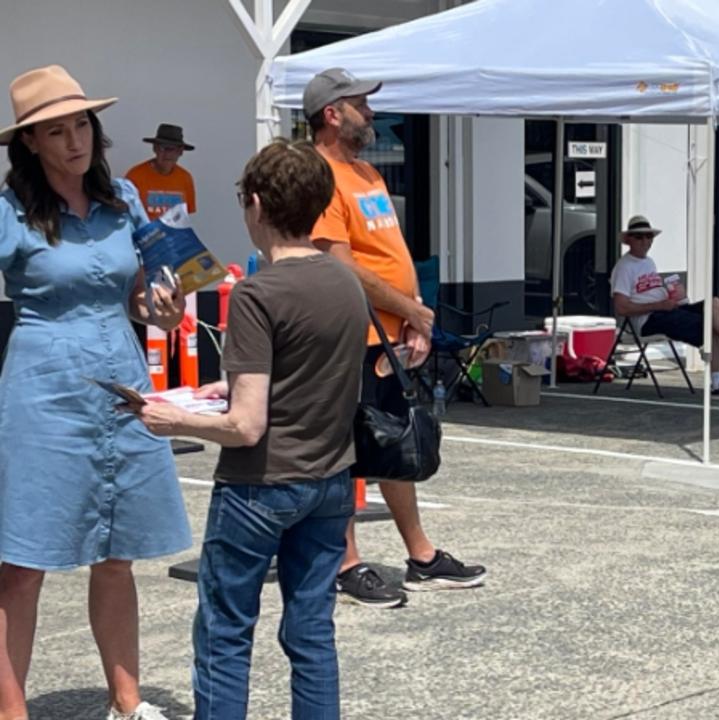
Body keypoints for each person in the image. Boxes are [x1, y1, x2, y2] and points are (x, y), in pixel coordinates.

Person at [137, 139, 365, 720]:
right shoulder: (346, 284)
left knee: (225, 631)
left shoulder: (257, 294)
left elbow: (246, 425)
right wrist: (231, 385)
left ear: (257, 205)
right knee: (312, 632)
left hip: (260, 484)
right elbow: (311, 372)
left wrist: (174, 419)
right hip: (332, 478)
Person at [0, 65, 190, 720]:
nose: (75, 140)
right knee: (22, 563)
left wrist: (161, 309)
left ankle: (127, 704)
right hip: (43, 388)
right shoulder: (10, 211)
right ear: (31, 143)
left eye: (81, 124)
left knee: (117, 552)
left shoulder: (125, 203)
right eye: (57, 130)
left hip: (121, 382)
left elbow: (137, 295)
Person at [306, 67, 485, 609]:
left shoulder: (366, 172)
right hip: (349, 334)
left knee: (392, 440)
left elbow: (388, 253)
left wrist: (410, 316)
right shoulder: (317, 177)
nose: (373, 114)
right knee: (347, 449)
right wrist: (411, 309)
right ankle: (347, 562)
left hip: (388, 331)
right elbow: (339, 265)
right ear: (333, 114)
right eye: (362, 104)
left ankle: (421, 555)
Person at [609, 214, 719, 402]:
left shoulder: (648, 262)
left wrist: (674, 295)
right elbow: (621, 307)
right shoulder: (624, 267)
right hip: (648, 320)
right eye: (639, 237)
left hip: (665, 309)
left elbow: (651, 290)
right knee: (709, 324)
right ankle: (718, 382)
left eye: (648, 237)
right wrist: (659, 304)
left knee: (714, 304)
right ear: (628, 240)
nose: (645, 241)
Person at [124, 123, 196, 221]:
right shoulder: (135, 176)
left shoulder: (185, 178)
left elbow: (187, 214)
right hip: (144, 234)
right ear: (155, 148)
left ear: (180, 152)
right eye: (163, 148)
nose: (167, 154)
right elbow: (126, 214)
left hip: (175, 235)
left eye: (172, 149)